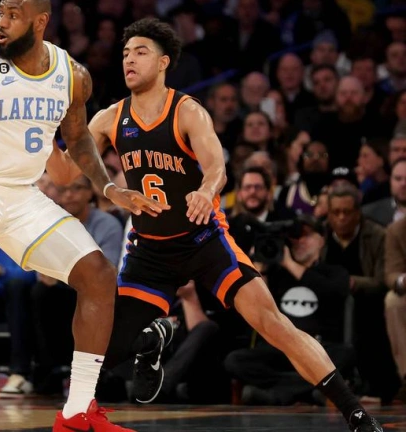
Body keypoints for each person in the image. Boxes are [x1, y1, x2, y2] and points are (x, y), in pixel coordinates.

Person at [87, 18, 382, 431]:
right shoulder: (109, 118)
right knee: (102, 347)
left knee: (274, 324)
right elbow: (67, 168)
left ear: (164, 62)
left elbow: (217, 167)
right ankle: (151, 340)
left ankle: (357, 415)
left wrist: (205, 191)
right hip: (150, 248)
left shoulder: (187, 110)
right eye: (125, 53)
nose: (129, 60)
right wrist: (55, 129)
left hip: (203, 238)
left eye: (140, 52)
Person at [0, 1, 162, 431]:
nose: (2, 22)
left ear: (40, 22)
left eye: (14, 14)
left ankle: (77, 409)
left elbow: (78, 139)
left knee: (98, 275)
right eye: (1, 12)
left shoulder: (72, 75)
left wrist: (109, 188)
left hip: (22, 196)